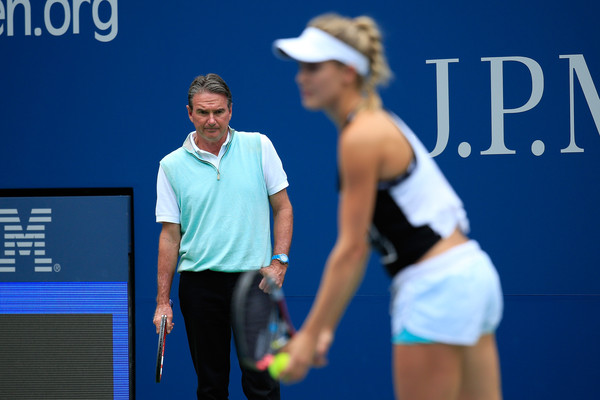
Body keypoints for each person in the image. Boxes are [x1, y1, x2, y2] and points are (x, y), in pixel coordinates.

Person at [272, 13, 503, 400]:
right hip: (471, 277)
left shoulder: (360, 137)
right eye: (300, 67)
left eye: (313, 67)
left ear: (348, 72)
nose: (301, 77)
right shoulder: (375, 124)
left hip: (436, 288)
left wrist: (309, 336)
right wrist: (325, 326)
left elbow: (351, 249)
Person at [153, 73, 293, 400]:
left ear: (230, 110)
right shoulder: (170, 165)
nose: (211, 120)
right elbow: (170, 236)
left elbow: (283, 208)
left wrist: (279, 261)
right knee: (211, 385)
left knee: (264, 384)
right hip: (199, 286)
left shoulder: (259, 146)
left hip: (254, 283)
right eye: (203, 112)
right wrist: (162, 301)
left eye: (218, 111)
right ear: (190, 113)